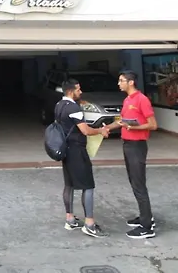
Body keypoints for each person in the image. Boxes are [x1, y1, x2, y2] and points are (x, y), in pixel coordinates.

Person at [105, 70, 158, 239]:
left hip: (137, 146)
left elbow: (153, 124)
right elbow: (121, 121)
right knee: (134, 182)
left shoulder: (142, 99)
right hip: (127, 144)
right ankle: (145, 216)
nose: (118, 83)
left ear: (131, 82)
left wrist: (134, 128)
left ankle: (147, 227)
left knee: (139, 184)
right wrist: (106, 128)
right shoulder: (127, 100)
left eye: (121, 80)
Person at [57, 79, 110, 238]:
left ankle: (70, 219)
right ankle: (89, 224)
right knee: (88, 186)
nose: (81, 92)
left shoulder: (59, 105)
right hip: (77, 151)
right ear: (71, 91)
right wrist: (100, 131)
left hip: (65, 150)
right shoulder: (73, 108)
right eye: (78, 89)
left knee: (69, 184)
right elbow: (85, 130)